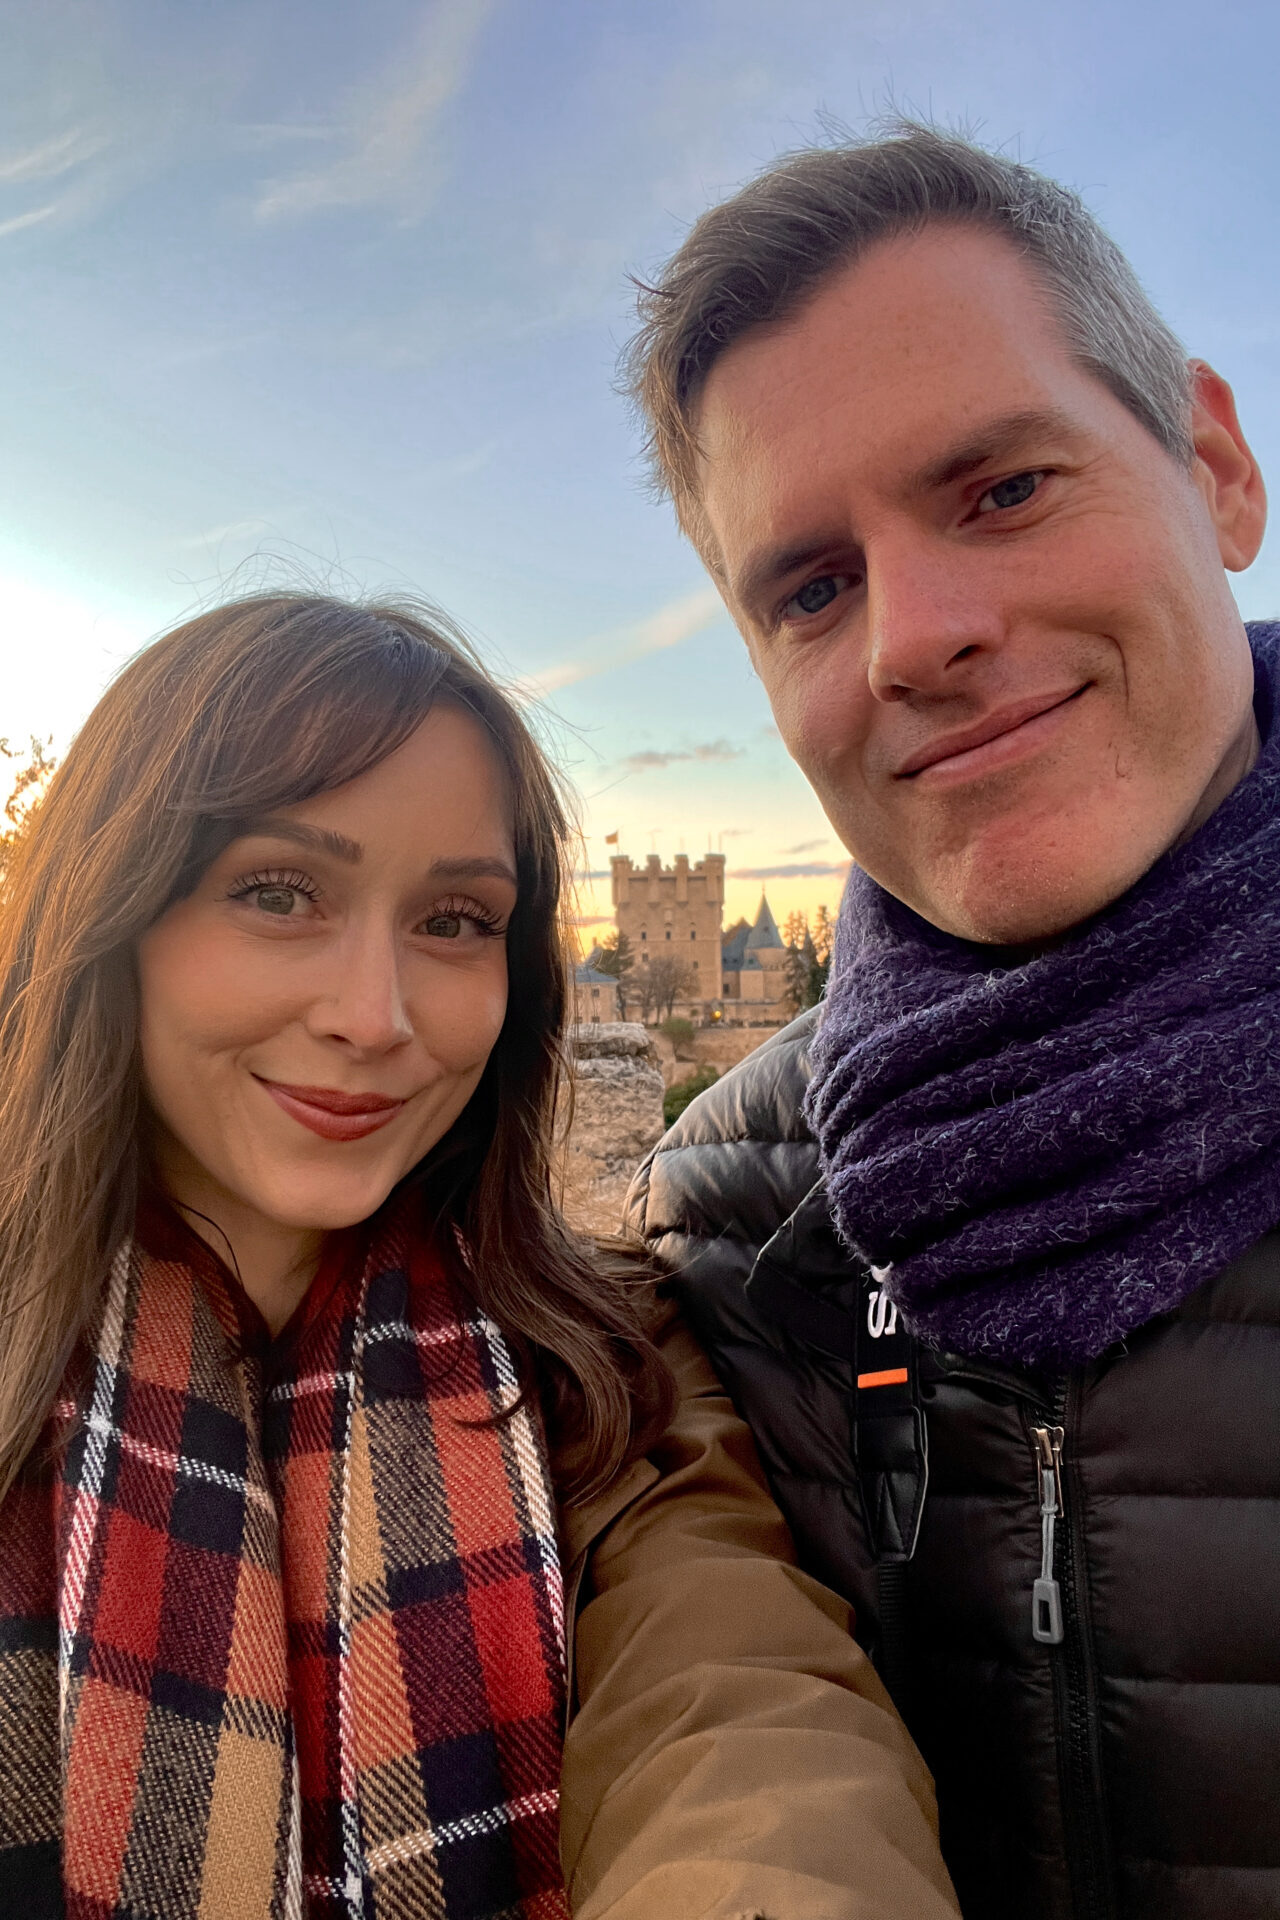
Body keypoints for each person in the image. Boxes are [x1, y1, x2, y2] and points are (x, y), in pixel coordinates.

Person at [0, 593, 958, 1920]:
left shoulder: (600, 1364)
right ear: (112, 911)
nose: (374, 1018)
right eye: (278, 893)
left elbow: (741, 1719)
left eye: (456, 920)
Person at [623, 124, 1280, 1920]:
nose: (915, 636)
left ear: (1216, 467)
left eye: (1001, 489)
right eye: (812, 586)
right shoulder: (736, 1219)